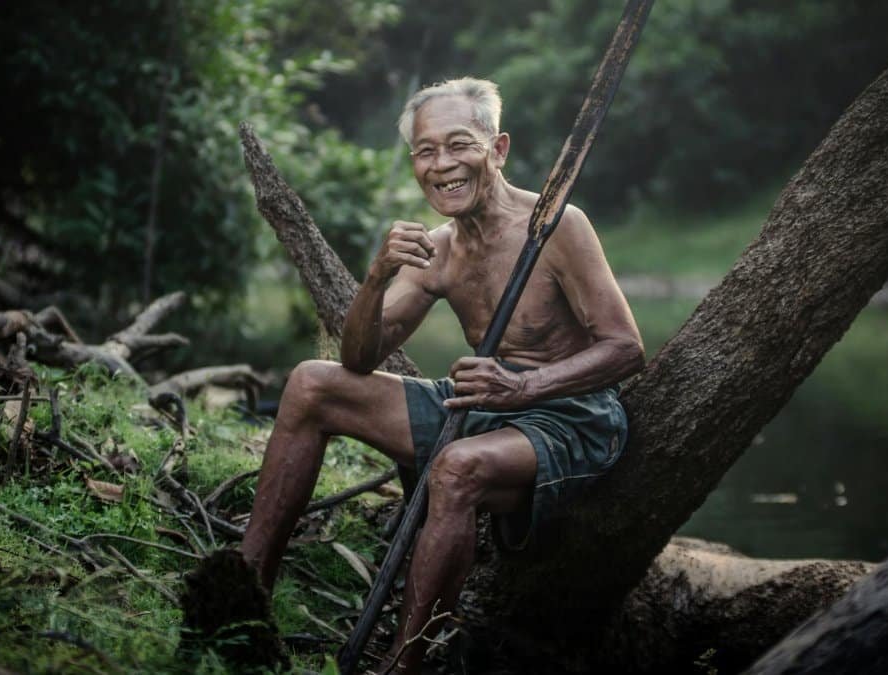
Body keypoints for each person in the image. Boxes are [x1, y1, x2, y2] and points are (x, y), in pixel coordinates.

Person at [239, 77, 644, 672]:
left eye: (460, 145)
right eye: (427, 151)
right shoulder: (440, 249)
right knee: (310, 382)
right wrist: (375, 279)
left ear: (498, 149)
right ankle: (243, 602)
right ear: (414, 164)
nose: (443, 164)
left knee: (455, 469)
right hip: (483, 407)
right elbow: (357, 360)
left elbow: (626, 349)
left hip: (571, 420)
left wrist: (524, 386)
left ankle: (409, 663)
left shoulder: (556, 225)